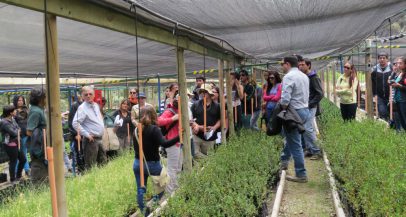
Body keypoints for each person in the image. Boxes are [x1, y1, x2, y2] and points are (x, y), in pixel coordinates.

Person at [133, 106, 179, 214]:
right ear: (154, 115)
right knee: (162, 186)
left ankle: (144, 212)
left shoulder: (137, 129)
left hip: (137, 163)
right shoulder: (154, 129)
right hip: (152, 164)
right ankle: (154, 203)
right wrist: (179, 137)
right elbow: (164, 143)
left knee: (140, 189)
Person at [279, 56, 311, 183]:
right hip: (304, 110)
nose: (282, 67)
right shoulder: (304, 76)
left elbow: (286, 98)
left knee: (295, 143)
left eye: (283, 64)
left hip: (294, 112)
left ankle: (301, 173)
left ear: (287, 64)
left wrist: (282, 109)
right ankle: (284, 161)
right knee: (291, 138)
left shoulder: (288, 77)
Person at [72, 86, 106, 170]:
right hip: (91, 140)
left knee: (103, 163)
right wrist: (86, 134)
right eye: (86, 94)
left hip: (100, 138)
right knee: (91, 166)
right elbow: (75, 123)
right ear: (82, 96)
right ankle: (92, 182)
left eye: (90, 94)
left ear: (94, 95)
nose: (88, 96)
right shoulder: (82, 108)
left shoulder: (96, 105)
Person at [298, 58, 323, 159]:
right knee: (304, 128)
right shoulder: (304, 77)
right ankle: (309, 149)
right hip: (304, 106)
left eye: (303, 65)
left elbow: (320, 93)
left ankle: (317, 151)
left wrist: (310, 103)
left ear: (308, 66)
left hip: (310, 107)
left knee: (308, 128)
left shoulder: (313, 77)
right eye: (299, 65)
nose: (300, 67)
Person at [157, 95, 181, 194]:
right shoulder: (169, 111)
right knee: (172, 169)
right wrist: (172, 119)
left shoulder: (181, 110)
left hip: (180, 143)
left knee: (178, 168)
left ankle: (175, 189)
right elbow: (158, 121)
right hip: (172, 143)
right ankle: (169, 193)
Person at [190, 86, 221, 158]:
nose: (203, 94)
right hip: (197, 134)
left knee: (208, 155)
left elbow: (221, 119)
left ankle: (208, 163)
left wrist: (214, 127)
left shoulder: (217, 106)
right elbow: (191, 118)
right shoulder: (195, 105)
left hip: (210, 136)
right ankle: (209, 161)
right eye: (201, 92)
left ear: (210, 94)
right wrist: (197, 126)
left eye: (205, 92)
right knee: (194, 153)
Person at [26, 88, 48, 183]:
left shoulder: (40, 110)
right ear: (41, 99)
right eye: (45, 97)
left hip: (43, 147)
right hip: (39, 149)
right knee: (39, 173)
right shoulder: (35, 111)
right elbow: (29, 131)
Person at [0, 105, 26, 182]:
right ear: (10, 113)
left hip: (17, 143)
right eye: (14, 111)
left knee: (23, 159)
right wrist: (17, 131)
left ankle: (18, 175)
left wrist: (18, 131)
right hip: (10, 145)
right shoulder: (4, 123)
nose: (16, 112)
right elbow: (14, 133)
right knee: (13, 161)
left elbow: (18, 128)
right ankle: (12, 179)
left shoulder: (12, 119)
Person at [371, 52, 392, 120]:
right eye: (380, 58)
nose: (382, 59)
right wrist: (374, 94)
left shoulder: (391, 68)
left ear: (387, 59)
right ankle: (385, 126)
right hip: (379, 96)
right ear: (378, 59)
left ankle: (392, 125)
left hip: (390, 95)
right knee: (382, 112)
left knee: (391, 112)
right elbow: (372, 83)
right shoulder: (374, 69)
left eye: (384, 58)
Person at [12, 95, 30, 176]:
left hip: (26, 134)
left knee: (23, 152)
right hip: (17, 135)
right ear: (16, 101)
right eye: (19, 100)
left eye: (22, 100)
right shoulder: (13, 111)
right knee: (18, 154)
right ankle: (18, 171)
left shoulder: (26, 109)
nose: (20, 102)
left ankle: (26, 170)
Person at [68, 93, 84, 172]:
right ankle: (81, 170)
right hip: (78, 134)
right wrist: (76, 134)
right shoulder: (75, 106)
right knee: (79, 152)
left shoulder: (88, 105)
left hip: (86, 135)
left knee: (84, 152)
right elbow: (72, 122)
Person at [391, 56, 406, 130]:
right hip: (398, 99)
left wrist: (399, 86)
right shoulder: (399, 74)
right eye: (397, 63)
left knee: (404, 119)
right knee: (402, 119)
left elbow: (403, 86)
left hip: (403, 100)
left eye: (401, 63)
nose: (398, 65)